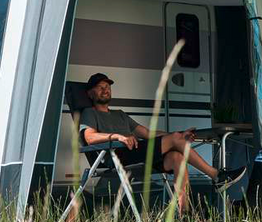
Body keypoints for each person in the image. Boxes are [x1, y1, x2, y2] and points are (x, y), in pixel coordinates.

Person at [78, 73, 245, 213]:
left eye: (107, 87)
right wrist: (117, 137)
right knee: (175, 141)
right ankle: (216, 176)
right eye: (100, 87)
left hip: (136, 153)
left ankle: (185, 212)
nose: (105, 90)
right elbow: (89, 137)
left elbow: (148, 134)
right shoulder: (89, 113)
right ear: (90, 94)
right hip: (118, 154)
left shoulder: (120, 114)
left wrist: (179, 136)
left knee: (177, 157)